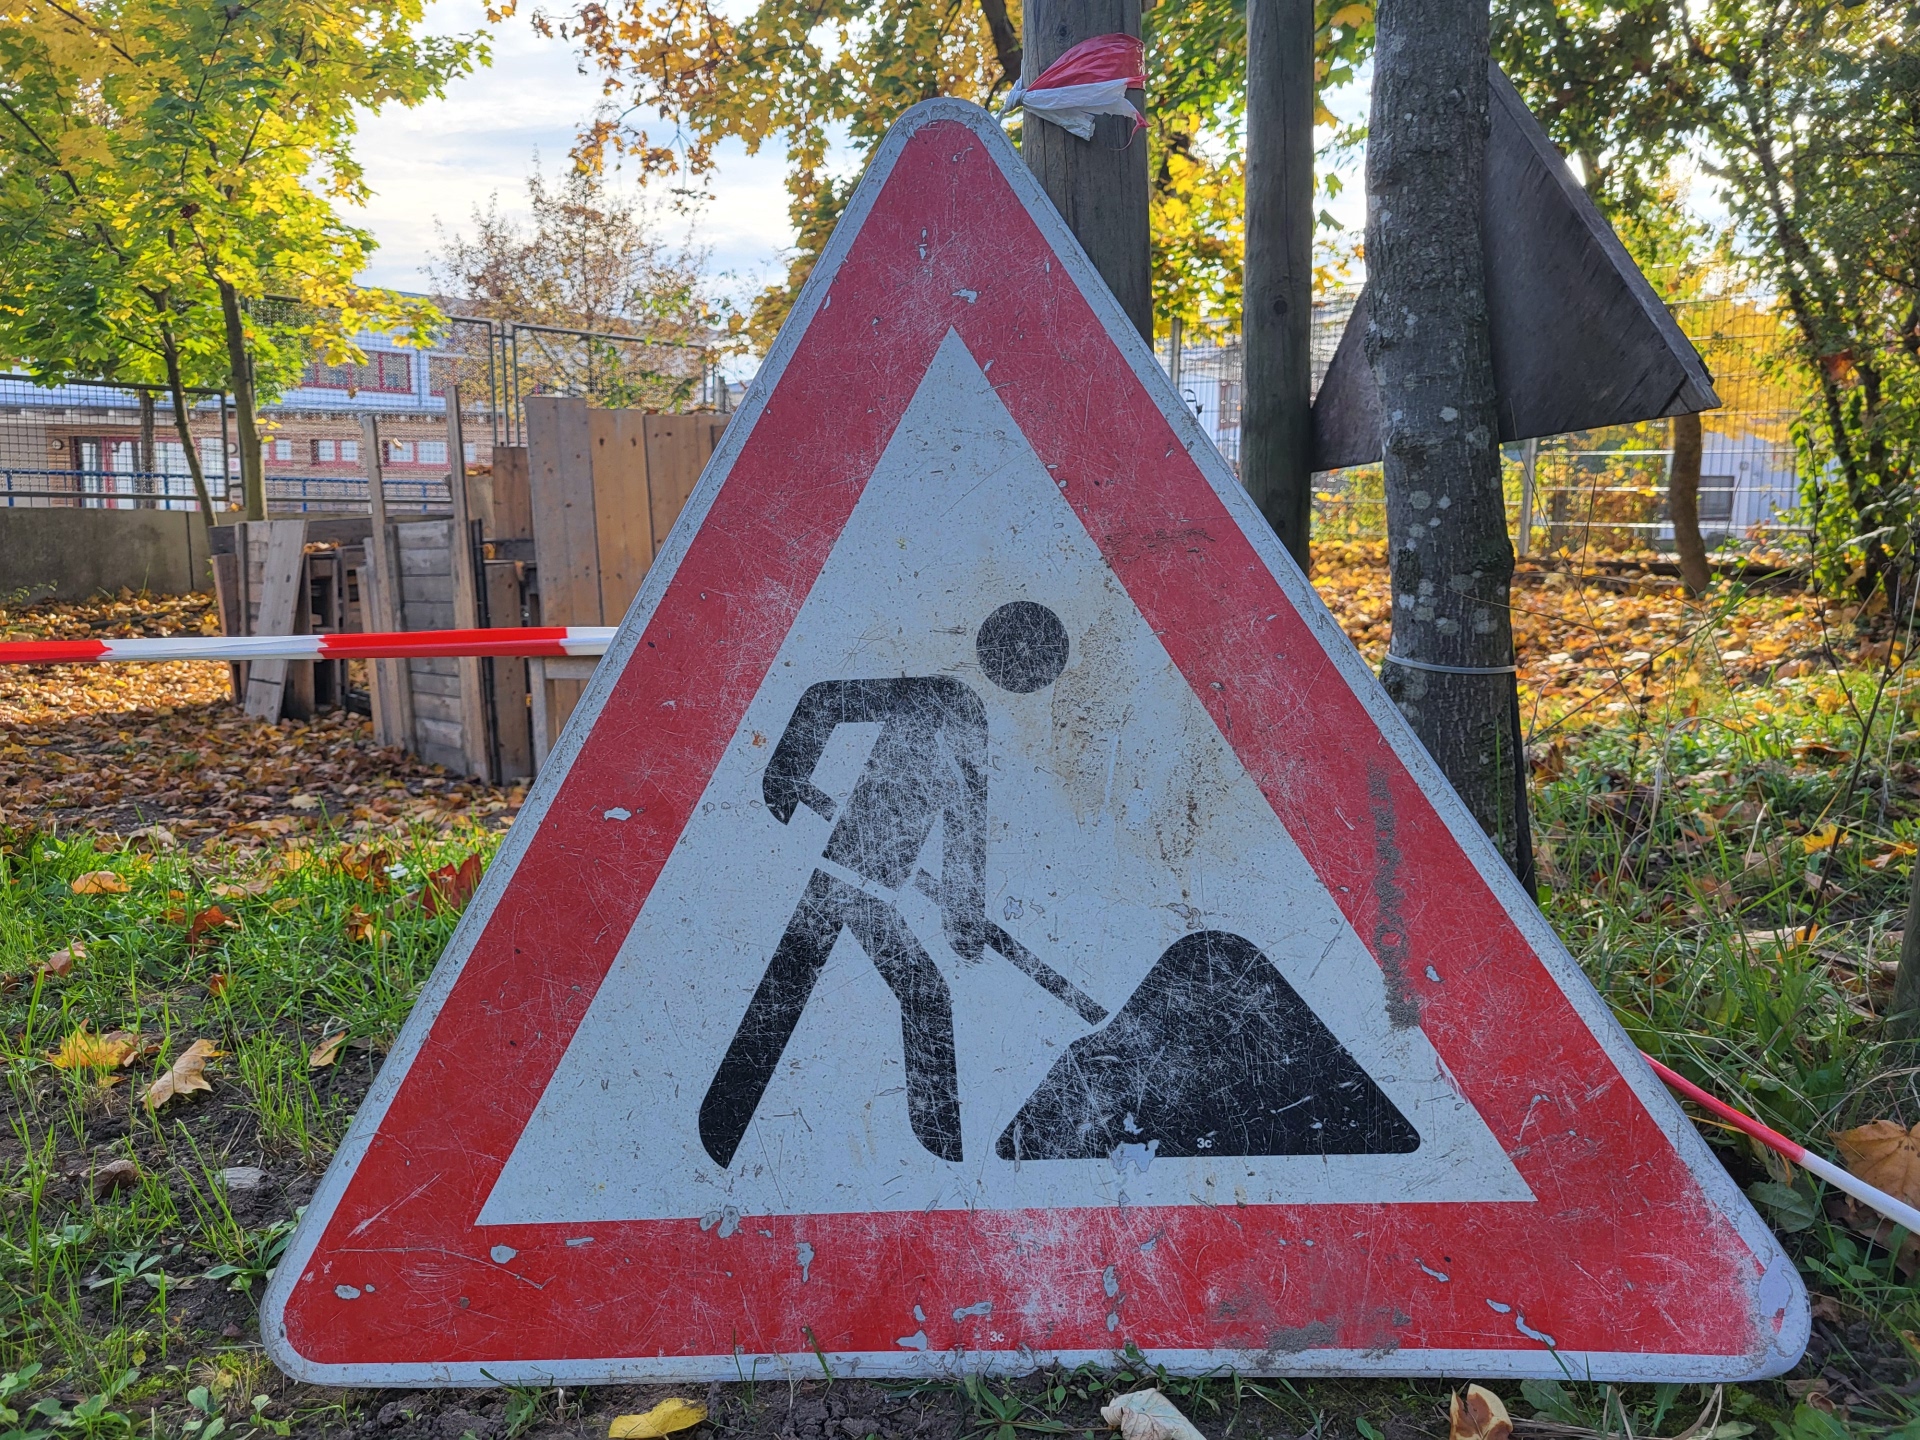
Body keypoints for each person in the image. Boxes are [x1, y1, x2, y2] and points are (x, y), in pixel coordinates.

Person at [698, 601, 1083, 1167]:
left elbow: (963, 832)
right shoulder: (948, 699)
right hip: (843, 880)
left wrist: (962, 919)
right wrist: (784, 775)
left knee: (816, 987)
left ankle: (720, 1129)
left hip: (865, 889)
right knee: (906, 993)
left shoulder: (966, 715)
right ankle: (941, 1156)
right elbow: (824, 702)